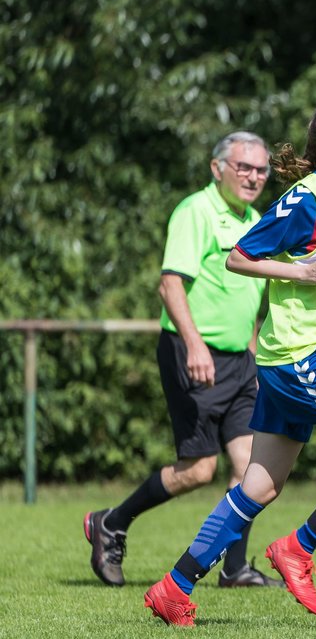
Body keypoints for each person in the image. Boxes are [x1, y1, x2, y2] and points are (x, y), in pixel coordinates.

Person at [144, 92, 316, 626]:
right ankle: (299, 547)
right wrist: (300, 272)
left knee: (260, 486)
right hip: (297, 357)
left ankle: (174, 586)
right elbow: (238, 256)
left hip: (312, 353)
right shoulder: (305, 200)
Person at [82, 131, 283, 589]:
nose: (253, 177)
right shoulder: (196, 211)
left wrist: (253, 344)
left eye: (261, 169)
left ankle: (234, 568)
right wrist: (194, 344)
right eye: (243, 167)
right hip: (194, 354)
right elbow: (171, 284)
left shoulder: (256, 219)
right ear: (218, 169)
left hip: (239, 361)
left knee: (251, 464)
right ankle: (111, 522)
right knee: (198, 470)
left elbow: (248, 292)